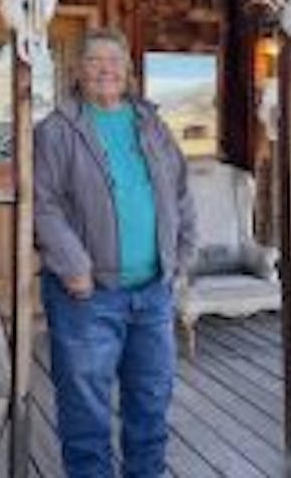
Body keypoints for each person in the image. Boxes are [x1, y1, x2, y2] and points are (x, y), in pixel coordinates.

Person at [34, 27, 197, 478]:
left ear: (128, 71)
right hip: (87, 295)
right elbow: (42, 205)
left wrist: (181, 259)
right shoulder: (56, 131)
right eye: (94, 60)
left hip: (153, 293)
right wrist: (73, 266)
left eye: (114, 60)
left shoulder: (152, 125)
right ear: (77, 71)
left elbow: (182, 194)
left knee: (150, 404)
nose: (105, 68)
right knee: (85, 413)